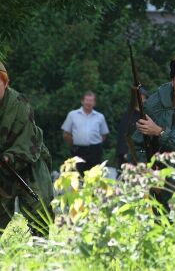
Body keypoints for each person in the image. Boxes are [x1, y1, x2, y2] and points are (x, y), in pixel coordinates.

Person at [0, 62, 53, 233]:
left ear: (5, 83)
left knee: (41, 208)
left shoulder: (19, 105)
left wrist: (8, 157)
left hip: (29, 161)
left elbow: (26, 142)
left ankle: (41, 252)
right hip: (2, 170)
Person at [61, 91, 110, 176]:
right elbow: (66, 134)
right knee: (78, 175)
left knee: (95, 176)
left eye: (91, 101)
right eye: (87, 100)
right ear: (82, 101)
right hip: (78, 151)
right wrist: (75, 143)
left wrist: (95, 144)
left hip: (95, 151)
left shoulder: (100, 116)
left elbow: (104, 135)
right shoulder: (72, 115)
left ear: (94, 103)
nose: (88, 103)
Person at [115, 87, 148, 169]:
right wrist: (124, 153)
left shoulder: (148, 115)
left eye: (143, 98)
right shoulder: (128, 115)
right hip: (129, 154)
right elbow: (122, 135)